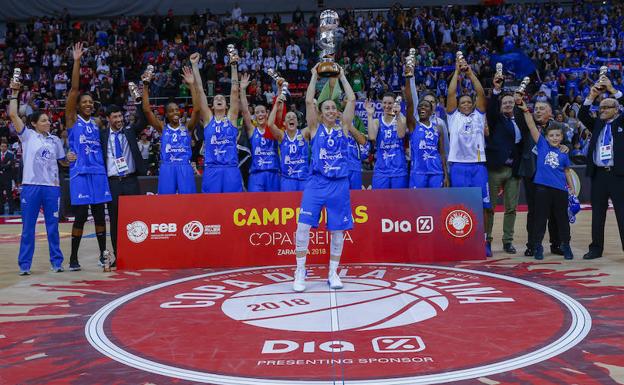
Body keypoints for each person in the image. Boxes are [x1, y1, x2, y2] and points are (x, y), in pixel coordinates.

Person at [293, 64, 359, 292]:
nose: (331, 110)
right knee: (302, 227)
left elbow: (351, 99)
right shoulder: (314, 127)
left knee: (337, 231)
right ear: (321, 114)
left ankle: (333, 272)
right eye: (327, 108)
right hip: (317, 183)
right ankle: (300, 271)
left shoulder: (344, 127)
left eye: (333, 107)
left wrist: (342, 75)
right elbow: (309, 101)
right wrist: (313, 75)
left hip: (339, 184)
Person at [9, 78, 66, 275]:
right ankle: (24, 265)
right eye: (43, 120)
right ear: (34, 123)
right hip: (31, 186)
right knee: (28, 229)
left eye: (48, 120)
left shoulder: (56, 140)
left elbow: (63, 162)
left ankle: (56, 262)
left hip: (52, 187)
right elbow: (13, 114)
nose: (48, 122)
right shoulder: (27, 136)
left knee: (53, 227)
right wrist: (14, 93)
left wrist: (70, 158)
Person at [65, 42, 111, 271]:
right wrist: (77, 61)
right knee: (81, 216)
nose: (88, 104)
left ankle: (104, 256)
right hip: (80, 173)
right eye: (84, 102)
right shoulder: (73, 121)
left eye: (90, 102)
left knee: (100, 218)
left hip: (98, 173)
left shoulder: (97, 123)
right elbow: (74, 91)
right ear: (78, 105)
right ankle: (73, 258)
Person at [446, 55, 491, 256]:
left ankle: (484, 240)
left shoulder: (479, 116)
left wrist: (469, 72)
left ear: (472, 104)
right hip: (458, 165)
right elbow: (451, 92)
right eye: (461, 102)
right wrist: (457, 72)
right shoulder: (452, 116)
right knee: (459, 205)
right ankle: (460, 239)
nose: (464, 104)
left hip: (478, 165)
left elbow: (481, 92)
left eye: (467, 102)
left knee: (484, 205)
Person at [519, 99, 574, 260]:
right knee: (538, 216)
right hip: (538, 183)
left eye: (557, 135)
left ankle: (562, 244)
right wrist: (525, 110)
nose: (554, 137)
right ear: (547, 136)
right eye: (551, 135)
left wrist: (571, 189)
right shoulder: (542, 143)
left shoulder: (562, 146)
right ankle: (536, 246)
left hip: (559, 188)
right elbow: (530, 124)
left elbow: (568, 171)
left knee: (560, 217)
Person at [578, 77, 624, 259]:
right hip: (598, 175)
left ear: (617, 109)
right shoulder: (597, 123)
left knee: (622, 213)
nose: (602, 110)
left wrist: (613, 90)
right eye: (601, 107)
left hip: (618, 175)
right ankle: (596, 248)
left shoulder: (621, 123)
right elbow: (582, 115)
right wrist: (591, 96)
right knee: (597, 213)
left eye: (607, 107)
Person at [191, 52, 243, 193]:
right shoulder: (208, 119)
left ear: (226, 106)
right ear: (212, 106)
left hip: (230, 168)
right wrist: (195, 66)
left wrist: (233, 66)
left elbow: (234, 91)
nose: (219, 99)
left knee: (233, 206)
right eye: (216, 99)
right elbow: (200, 91)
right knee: (210, 207)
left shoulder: (231, 118)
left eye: (222, 98)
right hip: (212, 169)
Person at [143, 66, 199, 194]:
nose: (175, 112)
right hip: (167, 167)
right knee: (166, 202)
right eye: (171, 110)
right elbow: (147, 110)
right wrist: (146, 85)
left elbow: (197, 109)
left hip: (185, 166)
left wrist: (191, 85)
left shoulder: (187, 128)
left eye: (176, 110)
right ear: (166, 114)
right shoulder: (162, 128)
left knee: (188, 201)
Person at [484, 74, 523, 254]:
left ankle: (508, 241)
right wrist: (497, 90)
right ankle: (487, 240)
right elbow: (491, 109)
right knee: (490, 208)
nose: (508, 105)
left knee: (511, 208)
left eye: (510, 102)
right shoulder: (496, 119)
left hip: (513, 170)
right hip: (495, 169)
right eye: (504, 102)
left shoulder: (519, 121)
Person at [405, 71, 448, 188]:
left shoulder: (438, 127)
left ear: (431, 110)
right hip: (418, 173)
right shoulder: (413, 125)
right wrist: (408, 78)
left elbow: (442, 153)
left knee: (435, 205)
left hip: (436, 172)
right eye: (420, 106)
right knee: (417, 205)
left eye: (426, 106)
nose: (422, 108)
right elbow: (409, 104)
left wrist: (446, 175)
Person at [240, 73, 280, 192]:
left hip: (273, 173)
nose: (260, 114)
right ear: (255, 115)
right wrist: (242, 89)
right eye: (257, 112)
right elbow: (245, 111)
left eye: (262, 112)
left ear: (267, 113)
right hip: (256, 175)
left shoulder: (273, 129)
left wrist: (279, 88)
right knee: (255, 206)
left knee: (275, 208)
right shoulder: (252, 130)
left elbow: (278, 106)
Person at [266, 92, 310, 191]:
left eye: (294, 117)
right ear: (285, 123)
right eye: (288, 117)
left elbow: (314, 123)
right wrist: (276, 105)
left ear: (297, 122)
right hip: (287, 179)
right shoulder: (282, 136)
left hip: (304, 179)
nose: (291, 118)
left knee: (305, 206)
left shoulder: (304, 133)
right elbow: (270, 124)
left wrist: (311, 104)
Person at [366, 92, 408, 189]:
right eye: (384, 103)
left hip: (399, 170)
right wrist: (369, 115)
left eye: (390, 103)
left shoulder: (401, 119)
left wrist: (397, 115)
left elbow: (401, 134)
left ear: (395, 104)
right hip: (381, 171)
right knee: (379, 202)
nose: (387, 106)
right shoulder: (377, 121)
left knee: (399, 202)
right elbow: (372, 137)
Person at [0, 141, 16, 215]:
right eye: (2, 146)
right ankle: (1, 210)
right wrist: (5, 166)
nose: (3, 148)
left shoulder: (10, 155)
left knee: (9, 195)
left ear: (7, 147)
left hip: (7, 178)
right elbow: (7, 165)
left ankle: (11, 210)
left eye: (4, 146)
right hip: (0, 179)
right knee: (0, 195)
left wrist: (2, 167)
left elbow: (10, 165)